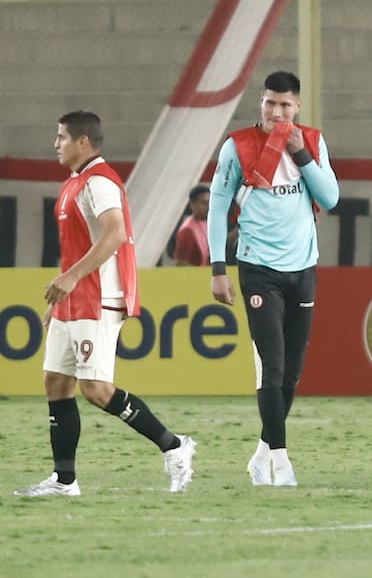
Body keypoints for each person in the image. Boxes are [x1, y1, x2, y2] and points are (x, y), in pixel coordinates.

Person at [15, 111, 196, 497]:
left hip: (99, 297)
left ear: (83, 142)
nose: (55, 144)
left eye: (62, 137)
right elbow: (80, 246)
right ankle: (64, 481)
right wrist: (62, 294)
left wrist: (71, 279)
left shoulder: (100, 181)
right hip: (75, 299)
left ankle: (174, 446)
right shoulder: (74, 183)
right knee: (56, 382)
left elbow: (114, 234)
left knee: (96, 389)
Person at [208, 71, 340, 488]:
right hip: (258, 269)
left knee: (292, 373)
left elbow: (330, 198)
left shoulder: (313, 142)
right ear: (261, 103)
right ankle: (281, 463)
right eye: (270, 103)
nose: (276, 112)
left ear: (297, 107)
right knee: (272, 365)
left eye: (285, 105)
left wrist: (302, 155)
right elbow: (217, 208)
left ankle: (262, 453)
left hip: (303, 269)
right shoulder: (238, 146)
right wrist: (218, 268)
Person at [173, 184, 211, 266]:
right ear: (192, 205)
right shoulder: (188, 230)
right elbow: (180, 264)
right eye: (204, 203)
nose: (208, 207)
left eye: (210, 202)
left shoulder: (207, 223)